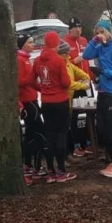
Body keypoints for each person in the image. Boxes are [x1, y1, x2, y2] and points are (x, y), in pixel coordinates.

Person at [76, 21, 112, 178]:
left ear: (108, 32)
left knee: (111, 130)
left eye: (102, 32)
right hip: (103, 92)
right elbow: (86, 55)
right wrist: (94, 41)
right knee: (102, 129)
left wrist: (103, 71)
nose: (100, 34)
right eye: (97, 32)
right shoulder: (100, 47)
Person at [32, 32, 76, 183]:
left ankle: (50, 170)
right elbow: (66, 83)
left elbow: (31, 80)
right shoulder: (58, 60)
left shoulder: (37, 60)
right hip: (60, 102)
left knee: (49, 135)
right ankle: (62, 171)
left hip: (46, 102)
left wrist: (42, 88)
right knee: (61, 135)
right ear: (56, 44)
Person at [64, 17, 93, 155]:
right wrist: (75, 60)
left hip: (86, 82)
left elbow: (89, 60)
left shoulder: (84, 41)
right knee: (74, 115)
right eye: (75, 27)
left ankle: (88, 141)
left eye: (80, 27)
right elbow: (65, 64)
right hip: (74, 85)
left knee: (89, 111)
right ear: (70, 29)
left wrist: (91, 77)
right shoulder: (64, 43)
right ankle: (76, 145)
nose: (78, 30)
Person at [17, 34, 43, 183]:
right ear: (22, 45)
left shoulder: (26, 59)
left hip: (33, 99)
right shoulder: (20, 60)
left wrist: (42, 89)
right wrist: (31, 78)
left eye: (33, 42)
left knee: (34, 133)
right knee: (36, 133)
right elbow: (19, 82)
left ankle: (32, 166)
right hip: (27, 102)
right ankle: (30, 166)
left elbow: (32, 82)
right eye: (30, 42)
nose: (33, 45)